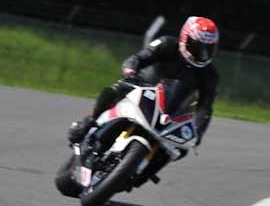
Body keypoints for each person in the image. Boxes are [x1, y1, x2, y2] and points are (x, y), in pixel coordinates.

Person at [67, 16, 220, 146]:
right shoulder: (167, 44)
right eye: (197, 47)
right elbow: (138, 58)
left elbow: (205, 107)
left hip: (172, 111)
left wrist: (197, 133)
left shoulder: (210, 74)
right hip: (143, 86)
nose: (202, 53)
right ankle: (88, 121)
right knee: (117, 88)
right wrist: (130, 72)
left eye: (208, 49)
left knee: (182, 145)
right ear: (185, 38)